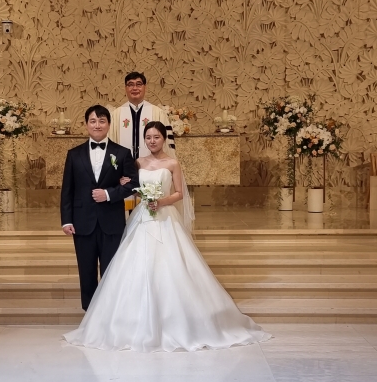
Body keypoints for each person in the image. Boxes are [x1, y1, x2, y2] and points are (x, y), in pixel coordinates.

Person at [64, 121, 270, 352]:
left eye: (156, 137)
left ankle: (177, 321)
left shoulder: (173, 163)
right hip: (142, 217)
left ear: (164, 139)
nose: (152, 141)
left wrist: (161, 201)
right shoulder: (137, 162)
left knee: (170, 265)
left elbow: (180, 193)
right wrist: (127, 184)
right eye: (148, 137)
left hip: (165, 217)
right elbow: (131, 185)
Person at [60, 104, 139, 311]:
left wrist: (109, 194)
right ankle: (89, 313)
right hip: (82, 222)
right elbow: (67, 189)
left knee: (111, 270)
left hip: (111, 220)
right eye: (93, 121)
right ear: (86, 124)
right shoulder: (74, 154)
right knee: (86, 271)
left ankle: (110, 312)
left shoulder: (122, 153)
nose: (97, 125)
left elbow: (134, 184)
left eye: (102, 121)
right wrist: (66, 220)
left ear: (109, 124)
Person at [110, 72, 175, 160]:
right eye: (130, 85)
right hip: (123, 166)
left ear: (145, 87)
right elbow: (110, 144)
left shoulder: (158, 113)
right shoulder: (115, 115)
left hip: (152, 165)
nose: (135, 88)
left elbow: (167, 143)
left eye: (139, 84)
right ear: (125, 88)